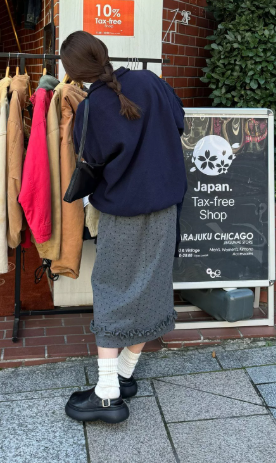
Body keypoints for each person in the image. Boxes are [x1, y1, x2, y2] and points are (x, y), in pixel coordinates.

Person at [61, 32, 188, 424]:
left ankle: (106, 394)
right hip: (165, 209)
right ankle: (124, 374)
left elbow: (92, 161)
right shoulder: (152, 83)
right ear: (105, 54)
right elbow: (180, 123)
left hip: (122, 215)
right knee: (152, 288)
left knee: (112, 291)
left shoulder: (90, 108)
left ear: (73, 73)